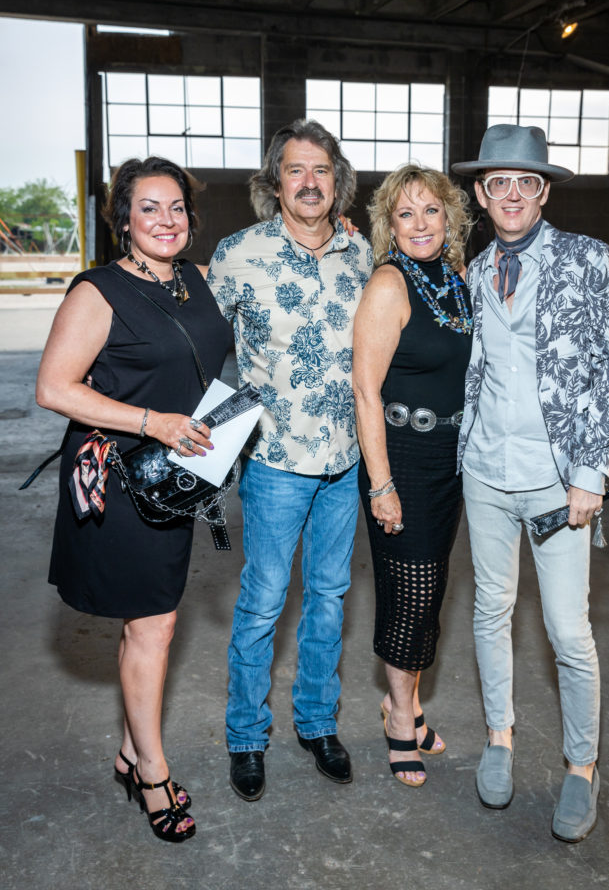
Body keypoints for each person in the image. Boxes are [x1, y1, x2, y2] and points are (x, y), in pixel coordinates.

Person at [37, 157, 233, 842]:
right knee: (153, 625)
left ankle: (129, 748)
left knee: (154, 622)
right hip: (119, 475)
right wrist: (154, 422)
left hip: (174, 476)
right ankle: (150, 769)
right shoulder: (98, 291)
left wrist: (345, 232)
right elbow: (55, 388)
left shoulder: (196, 282)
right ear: (122, 218)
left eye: (176, 207)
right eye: (148, 208)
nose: (165, 220)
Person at [451, 124, 609, 841]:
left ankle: (581, 766)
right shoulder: (474, 268)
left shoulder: (587, 258)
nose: (513, 194)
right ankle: (499, 737)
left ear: (543, 191)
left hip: (559, 481)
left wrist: (591, 472)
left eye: (526, 182)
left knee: (566, 630)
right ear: (480, 194)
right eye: (498, 182)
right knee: (490, 611)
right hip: (486, 472)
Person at [208, 119, 373, 801]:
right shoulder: (237, 254)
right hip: (274, 460)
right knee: (263, 603)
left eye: (322, 170)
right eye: (295, 170)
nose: (309, 182)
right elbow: (188, 337)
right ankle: (247, 735)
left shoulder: (363, 255)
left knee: (330, 599)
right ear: (274, 181)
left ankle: (315, 723)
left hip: (346, 461)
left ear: (338, 182)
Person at [352, 165, 473, 787]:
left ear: (449, 217)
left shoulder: (454, 281)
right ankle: (400, 719)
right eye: (406, 213)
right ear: (389, 225)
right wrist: (381, 484)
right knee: (411, 596)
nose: (420, 223)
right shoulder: (389, 284)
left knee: (431, 592)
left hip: (450, 463)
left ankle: (410, 702)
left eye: (431, 210)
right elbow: (365, 392)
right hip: (402, 458)